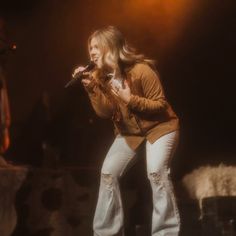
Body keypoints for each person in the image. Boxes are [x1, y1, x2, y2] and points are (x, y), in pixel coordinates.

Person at [73, 26, 180, 236]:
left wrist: (130, 99)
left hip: (160, 128)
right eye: (90, 48)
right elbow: (106, 112)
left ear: (111, 47)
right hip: (129, 134)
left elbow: (160, 105)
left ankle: (166, 232)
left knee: (156, 173)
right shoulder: (99, 77)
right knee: (108, 173)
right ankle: (106, 233)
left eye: (97, 46)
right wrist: (91, 87)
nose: (92, 52)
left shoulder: (141, 70)